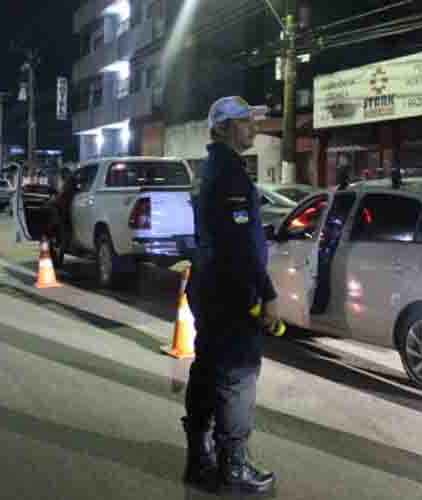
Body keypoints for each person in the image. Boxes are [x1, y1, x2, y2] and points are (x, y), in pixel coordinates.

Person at [183, 96, 280, 494]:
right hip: (230, 292)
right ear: (223, 127)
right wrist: (267, 293)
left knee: (207, 369)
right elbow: (239, 244)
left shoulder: (214, 170)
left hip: (210, 286)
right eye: (244, 121)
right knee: (238, 376)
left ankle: (199, 457)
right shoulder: (230, 175)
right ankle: (233, 465)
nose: (252, 127)